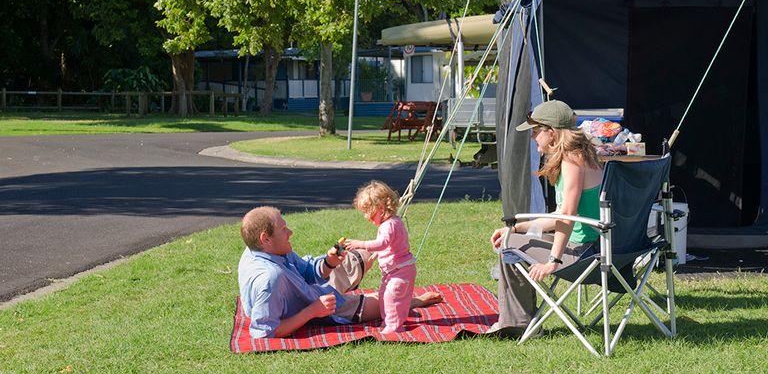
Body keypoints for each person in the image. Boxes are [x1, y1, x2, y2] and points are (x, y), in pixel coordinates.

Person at [237, 206, 441, 339]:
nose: (290, 232)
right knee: (387, 304)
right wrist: (312, 311)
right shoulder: (269, 279)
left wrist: (329, 262)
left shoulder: (265, 249)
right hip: (316, 303)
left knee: (365, 253)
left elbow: (307, 271)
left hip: (314, 287)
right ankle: (413, 301)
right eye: (284, 229)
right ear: (265, 238)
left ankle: (396, 295)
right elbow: (265, 332)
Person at [488, 100, 602, 336]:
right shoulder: (583, 155)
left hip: (584, 251)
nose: (532, 137)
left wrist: (554, 260)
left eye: (535, 131)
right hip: (597, 245)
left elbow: (568, 216)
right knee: (513, 237)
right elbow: (561, 215)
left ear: (551, 132)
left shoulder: (572, 160)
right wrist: (519, 227)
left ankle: (520, 324)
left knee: (508, 247)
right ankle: (521, 320)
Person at [344, 180, 416, 334]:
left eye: (368, 212)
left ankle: (394, 326)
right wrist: (376, 254)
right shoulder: (392, 222)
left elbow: (383, 243)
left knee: (392, 297)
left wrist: (361, 244)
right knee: (385, 296)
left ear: (381, 208)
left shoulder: (389, 225)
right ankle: (390, 320)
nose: (365, 216)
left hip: (400, 271)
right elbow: (392, 245)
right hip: (394, 270)